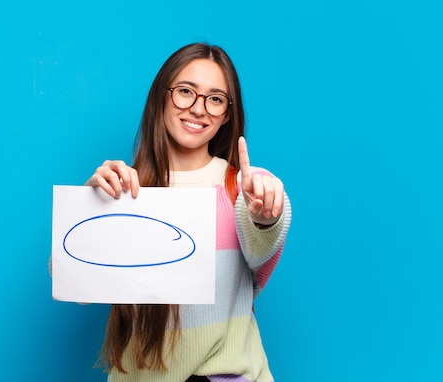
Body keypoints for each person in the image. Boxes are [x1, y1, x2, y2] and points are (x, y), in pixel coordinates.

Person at [84, 42, 292, 382]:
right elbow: (74, 283)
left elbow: (262, 242)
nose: (198, 109)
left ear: (226, 115)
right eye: (185, 91)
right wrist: (90, 211)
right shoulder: (124, 191)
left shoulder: (245, 188)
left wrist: (266, 214)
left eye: (215, 99)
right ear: (161, 97)